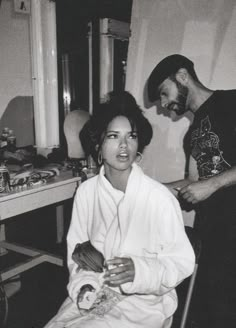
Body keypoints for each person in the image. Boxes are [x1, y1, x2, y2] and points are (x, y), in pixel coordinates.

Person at [44, 91, 194, 328]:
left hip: (143, 303)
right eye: (113, 136)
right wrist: (85, 284)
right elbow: (80, 253)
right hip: (95, 293)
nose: (124, 145)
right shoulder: (86, 193)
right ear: (98, 144)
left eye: (131, 136)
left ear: (139, 144)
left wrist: (140, 271)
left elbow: (180, 263)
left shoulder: (159, 199)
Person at [147, 54, 236, 327]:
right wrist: (152, 190)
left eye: (164, 92)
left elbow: (207, 184)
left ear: (183, 77)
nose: (163, 104)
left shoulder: (232, 102)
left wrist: (212, 185)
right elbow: (193, 181)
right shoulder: (193, 133)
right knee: (217, 311)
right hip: (214, 235)